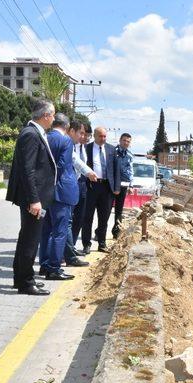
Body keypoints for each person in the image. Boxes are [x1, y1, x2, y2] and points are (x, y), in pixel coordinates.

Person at [6, 99, 56, 296]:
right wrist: (34, 199)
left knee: (27, 237)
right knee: (30, 240)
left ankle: (22, 277)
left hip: (36, 196)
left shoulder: (34, 132)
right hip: (34, 198)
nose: (53, 119)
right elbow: (28, 170)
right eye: (52, 115)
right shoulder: (31, 134)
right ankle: (26, 282)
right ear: (45, 116)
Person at [39, 116, 95, 279]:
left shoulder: (45, 137)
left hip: (46, 192)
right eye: (79, 132)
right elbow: (64, 167)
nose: (80, 136)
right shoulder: (65, 141)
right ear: (68, 127)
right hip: (62, 192)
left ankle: (44, 265)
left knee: (46, 231)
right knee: (60, 231)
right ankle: (54, 268)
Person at [81, 127, 120, 254]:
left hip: (106, 187)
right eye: (100, 136)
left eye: (104, 136)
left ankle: (102, 243)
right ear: (94, 136)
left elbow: (116, 169)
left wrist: (116, 187)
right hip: (91, 186)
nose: (103, 139)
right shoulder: (87, 148)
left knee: (104, 217)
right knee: (88, 217)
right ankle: (86, 244)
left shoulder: (111, 149)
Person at [69, 123, 91, 253]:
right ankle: (65, 249)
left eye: (87, 135)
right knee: (68, 218)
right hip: (71, 184)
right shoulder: (70, 145)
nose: (85, 138)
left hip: (83, 186)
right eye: (83, 134)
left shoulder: (86, 148)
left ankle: (71, 246)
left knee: (79, 217)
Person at [112, 133, 133, 239]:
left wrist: (131, 185)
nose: (126, 143)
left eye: (128, 141)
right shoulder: (112, 152)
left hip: (123, 185)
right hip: (111, 185)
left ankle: (116, 231)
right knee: (106, 210)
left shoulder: (130, 155)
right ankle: (99, 232)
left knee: (119, 210)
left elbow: (131, 171)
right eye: (124, 140)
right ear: (120, 140)